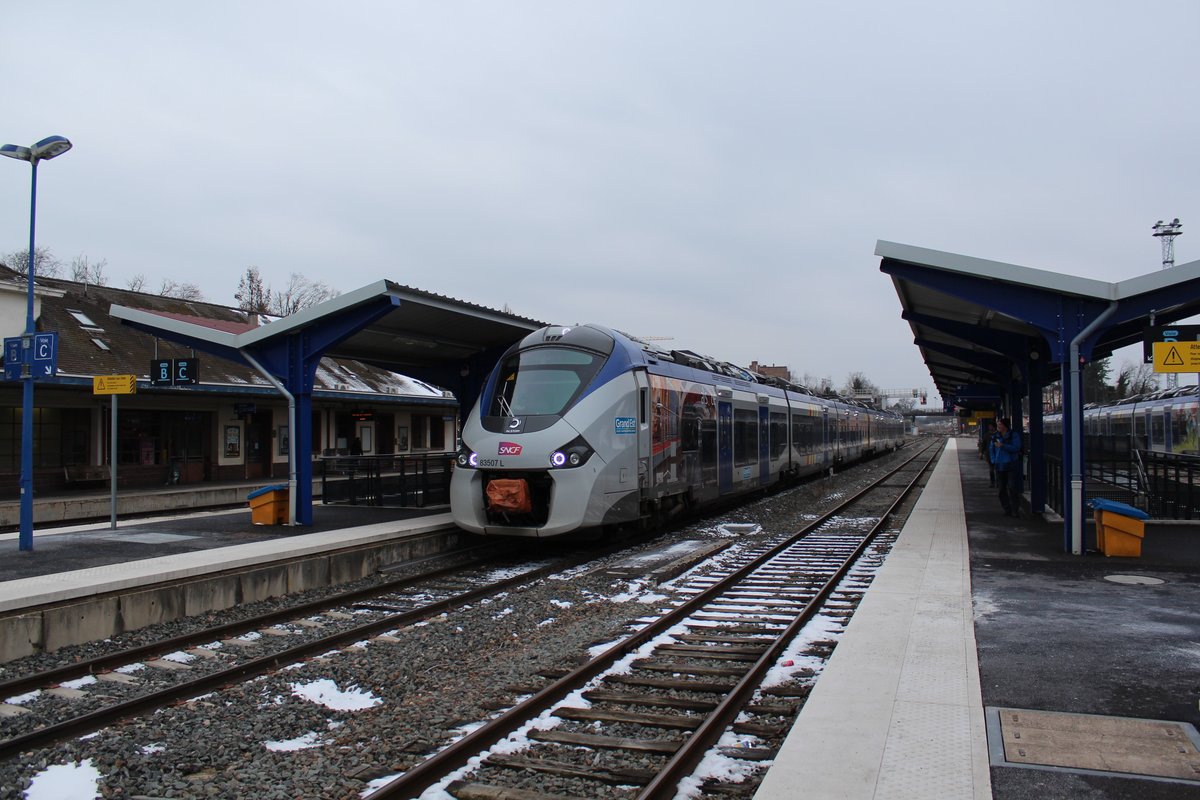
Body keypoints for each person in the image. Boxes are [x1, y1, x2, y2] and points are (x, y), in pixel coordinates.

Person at [992, 417, 1022, 517]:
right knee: (1001, 489)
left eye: (999, 424)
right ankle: (1007, 508)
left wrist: (1003, 446)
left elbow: (1016, 448)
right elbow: (991, 448)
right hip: (999, 465)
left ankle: (1015, 510)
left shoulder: (1014, 435)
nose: (998, 426)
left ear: (1005, 425)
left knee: (1012, 487)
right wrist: (993, 460)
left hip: (1011, 464)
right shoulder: (995, 436)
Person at [983, 422, 998, 487]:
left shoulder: (998, 434)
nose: (989, 428)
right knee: (991, 470)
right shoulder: (987, 435)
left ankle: (998, 482)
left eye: (991, 426)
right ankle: (992, 482)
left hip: (998, 454)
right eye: (989, 426)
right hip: (989, 454)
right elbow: (984, 444)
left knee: (998, 470)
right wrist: (981, 452)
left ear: (994, 427)